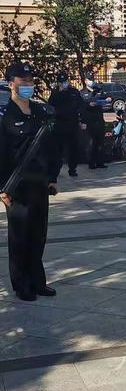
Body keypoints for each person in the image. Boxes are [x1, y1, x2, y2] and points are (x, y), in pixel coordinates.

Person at [0, 63, 59, 301]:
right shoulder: (5, 117)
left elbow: (53, 148)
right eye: (22, 81)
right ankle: (22, 283)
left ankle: (37, 281)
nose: (28, 85)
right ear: (11, 83)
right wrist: (1, 187)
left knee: (38, 234)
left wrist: (53, 177)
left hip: (40, 184)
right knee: (19, 237)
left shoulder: (40, 112)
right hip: (15, 187)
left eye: (30, 81)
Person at [48, 71, 85, 177]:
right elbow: (51, 105)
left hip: (72, 124)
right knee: (58, 149)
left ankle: (72, 169)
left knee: (74, 148)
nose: (64, 83)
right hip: (60, 125)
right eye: (61, 82)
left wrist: (82, 120)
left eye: (65, 81)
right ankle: (55, 170)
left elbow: (81, 105)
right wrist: (59, 92)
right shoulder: (55, 93)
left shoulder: (74, 92)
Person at [82, 72, 110, 169]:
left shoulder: (99, 91)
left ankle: (100, 162)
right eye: (89, 79)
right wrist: (89, 105)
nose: (91, 81)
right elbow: (81, 107)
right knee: (91, 143)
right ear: (85, 81)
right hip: (90, 121)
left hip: (99, 120)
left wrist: (108, 99)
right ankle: (91, 163)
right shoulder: (82, 93)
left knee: (100, 142)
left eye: (92, 79)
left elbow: (106, 99)